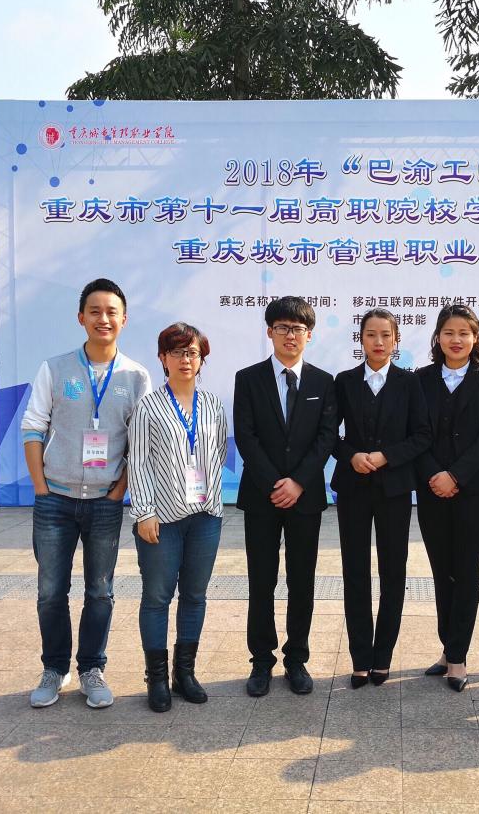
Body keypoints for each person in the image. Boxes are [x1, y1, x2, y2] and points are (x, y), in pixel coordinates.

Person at [21, 278, 152, 709]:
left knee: (100, 591)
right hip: (55, 500)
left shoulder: (136, 376)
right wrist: (41, 489)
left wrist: (118, 492)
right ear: (81, 318)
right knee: (50, 591)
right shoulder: (55, 369)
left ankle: (92, 669)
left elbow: (141, 443)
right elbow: (33, 428)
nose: (103, 319)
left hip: (104, 503)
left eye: (112, 312)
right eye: (95, 311)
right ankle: (54, 668)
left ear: (124, 319)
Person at [234, 297, 337, 697]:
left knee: (302, 580)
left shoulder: (323, 382)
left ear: (309, 335)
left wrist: (298, 482)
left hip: (305, 498)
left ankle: (297, 659)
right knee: (261, 580)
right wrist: (275, 482)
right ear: (270, 332)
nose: (290, 335)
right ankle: (261, 660)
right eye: (282, 328)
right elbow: (246, 436)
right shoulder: (248, 378)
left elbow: (326, 438)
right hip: (261, 496)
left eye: (297, 329)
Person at [128, 322, 228, 712]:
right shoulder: (148, 407)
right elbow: (137, 461)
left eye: (192, 352)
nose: (185, 359)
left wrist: (211, 498)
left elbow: (218, 453)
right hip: (161, 519)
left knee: (195, 595)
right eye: (176, 352)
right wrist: (144, 512)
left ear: (202, 359)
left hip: (205, 516)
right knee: (157, 597)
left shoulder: (213, 404)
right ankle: (156, 678)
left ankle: (184, 673)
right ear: (162, 358)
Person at [332, 309, 431, 688]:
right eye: (371, 334)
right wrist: (351, 455)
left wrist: (387, 456)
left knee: (393, 571)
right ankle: (360, 658)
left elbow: (422, 435)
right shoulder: (344, 381)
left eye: (385, 335)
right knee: (355, 571)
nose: (378, 341)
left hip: (394, 489)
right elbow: (329, 434)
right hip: (353, 488)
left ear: (396, 340)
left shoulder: (410, 382)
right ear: (360, 339)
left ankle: (383, 657)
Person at [414, 305, 479, 692]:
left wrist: (455, 476)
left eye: (464, 333)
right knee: (441, 569)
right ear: (438, 337)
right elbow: (415, 433)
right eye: (449, 332)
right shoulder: (420, 379)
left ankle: (458, 656)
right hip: (431, 487)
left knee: (466, 570)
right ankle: (447, 646)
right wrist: (435, 474)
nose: (456, 339)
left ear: (475, 338)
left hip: (471, 489)